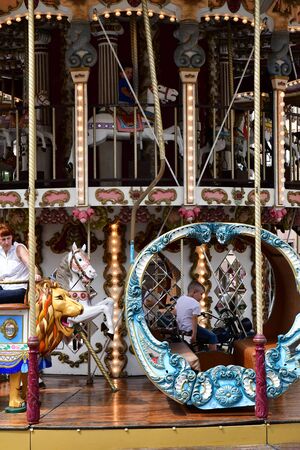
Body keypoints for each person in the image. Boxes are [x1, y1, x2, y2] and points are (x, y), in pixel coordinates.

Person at [0, 223, 41, 303]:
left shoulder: (18, 249)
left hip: (20, 289)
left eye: (9, 238)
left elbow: (33, 267)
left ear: (12, 237)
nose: (7, 242)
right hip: (3, 289)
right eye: (3, 239)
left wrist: (35, 275)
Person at [174, 280, 218, 351]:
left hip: (181, 327)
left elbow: (175, 312)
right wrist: (194, 335)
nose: (201, 297)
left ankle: (198, 351)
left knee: (203, 333)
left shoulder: (181, 299)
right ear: (194, 292)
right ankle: (213, 358)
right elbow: (194, 320)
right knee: (213, 336)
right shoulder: (195, 303)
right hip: (190, 328)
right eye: (201, 294)